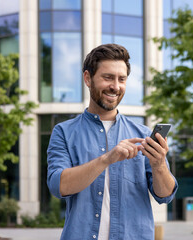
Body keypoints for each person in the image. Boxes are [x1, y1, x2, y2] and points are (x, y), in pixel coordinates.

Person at [47, 43, 178, 240]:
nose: (115, 86)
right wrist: (107, 159)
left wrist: (159, 164)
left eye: (121, 79)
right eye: (108, 77)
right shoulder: (64, 132)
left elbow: (165, 195)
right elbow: (59, 186)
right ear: (87, 78)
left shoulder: (142, 135)